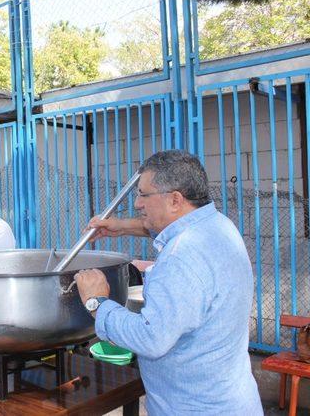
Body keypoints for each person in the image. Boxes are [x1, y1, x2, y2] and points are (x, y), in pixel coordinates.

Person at [74, 150, 262, 415]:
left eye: (143, 194)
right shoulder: (217, 226)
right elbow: (172, 226)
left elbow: (151, 338)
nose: (138, 203)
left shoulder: (180, 258)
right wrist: (120, 226)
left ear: (175, 199)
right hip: (232, 400)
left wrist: (97, 302)